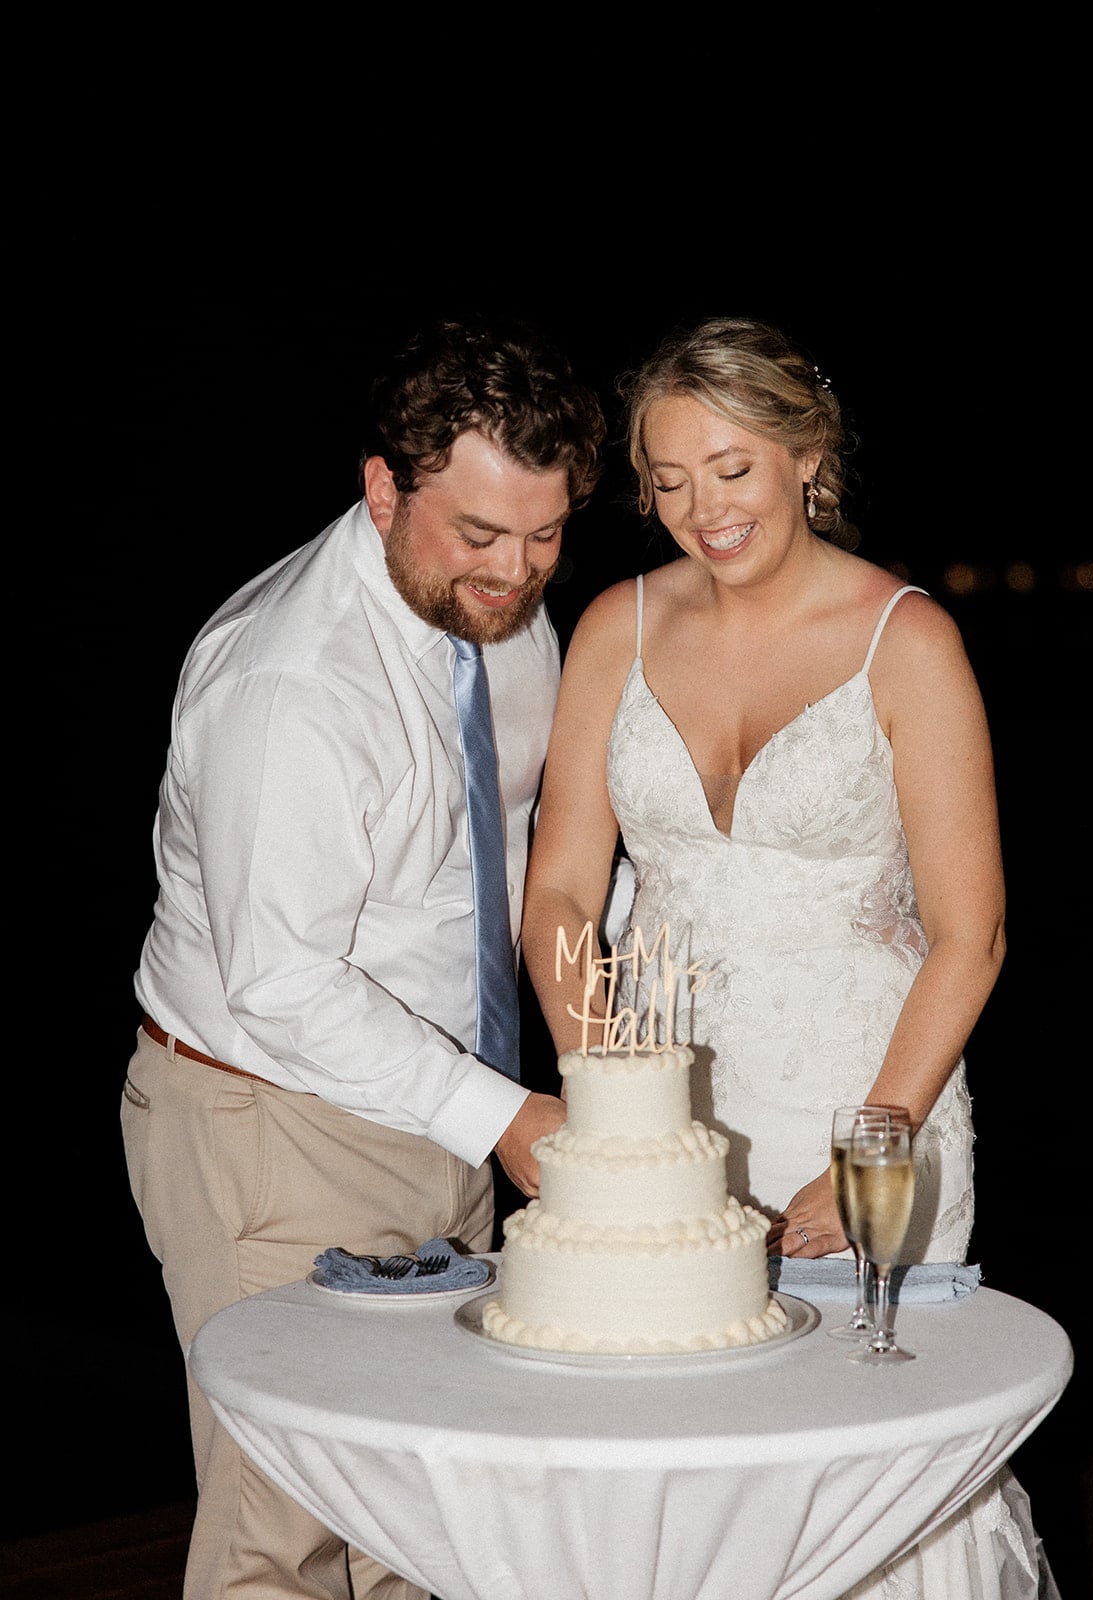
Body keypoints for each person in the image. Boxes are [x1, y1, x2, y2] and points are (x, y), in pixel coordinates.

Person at [521, 318, 1058, 1596]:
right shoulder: (614, 625)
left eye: (731, 468)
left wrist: (875, 1145)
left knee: (859, 1487)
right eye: (666, 480)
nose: (699, 508)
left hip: (864, 1109)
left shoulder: (908, 640)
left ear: (805, 453)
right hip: (662, 1123)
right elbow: (556, 889)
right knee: (668, 1485)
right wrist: (615, 1107)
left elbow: (968, 933)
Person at [121, 315, 606, 1600]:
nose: (516, 573)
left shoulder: (511, 624)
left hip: (447, 1112)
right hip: (271, 1127)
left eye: (547, 533)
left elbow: (498, 873)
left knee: (417, 1519)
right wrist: (503, 1113)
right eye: (482, 535)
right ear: (383, 487)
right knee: (284, 1539)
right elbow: (280, 981)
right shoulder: (292, 685)